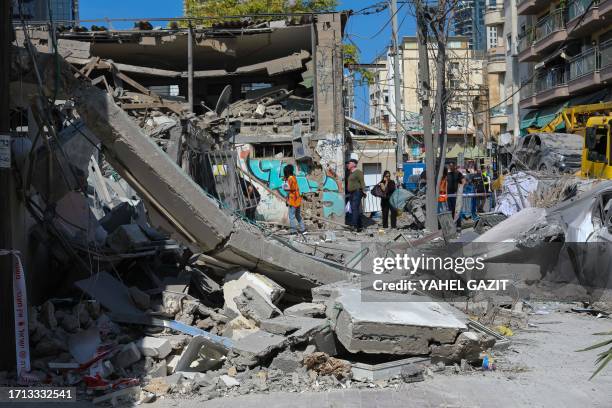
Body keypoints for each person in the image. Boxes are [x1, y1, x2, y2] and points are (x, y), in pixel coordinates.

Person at [283, 164, 305, 234]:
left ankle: (293, 231)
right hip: (297, 200)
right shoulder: (294, 177)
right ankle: (302, 228)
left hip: (293, 200)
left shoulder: (290, 179)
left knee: (291, 216)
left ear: (287, 172)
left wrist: (284, 184)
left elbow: (289, 189)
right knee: (297, 215)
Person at [346, 159, 365, 231]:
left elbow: (362, 182)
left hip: (357, 192)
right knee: (355, 209)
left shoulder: (358, 172)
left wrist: (364, 191)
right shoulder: (351, 173)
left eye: (349, 163)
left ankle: (354, 225)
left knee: (354, 208)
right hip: (351, 193)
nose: (348, 164)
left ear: (354, 164)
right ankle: (359, 226)